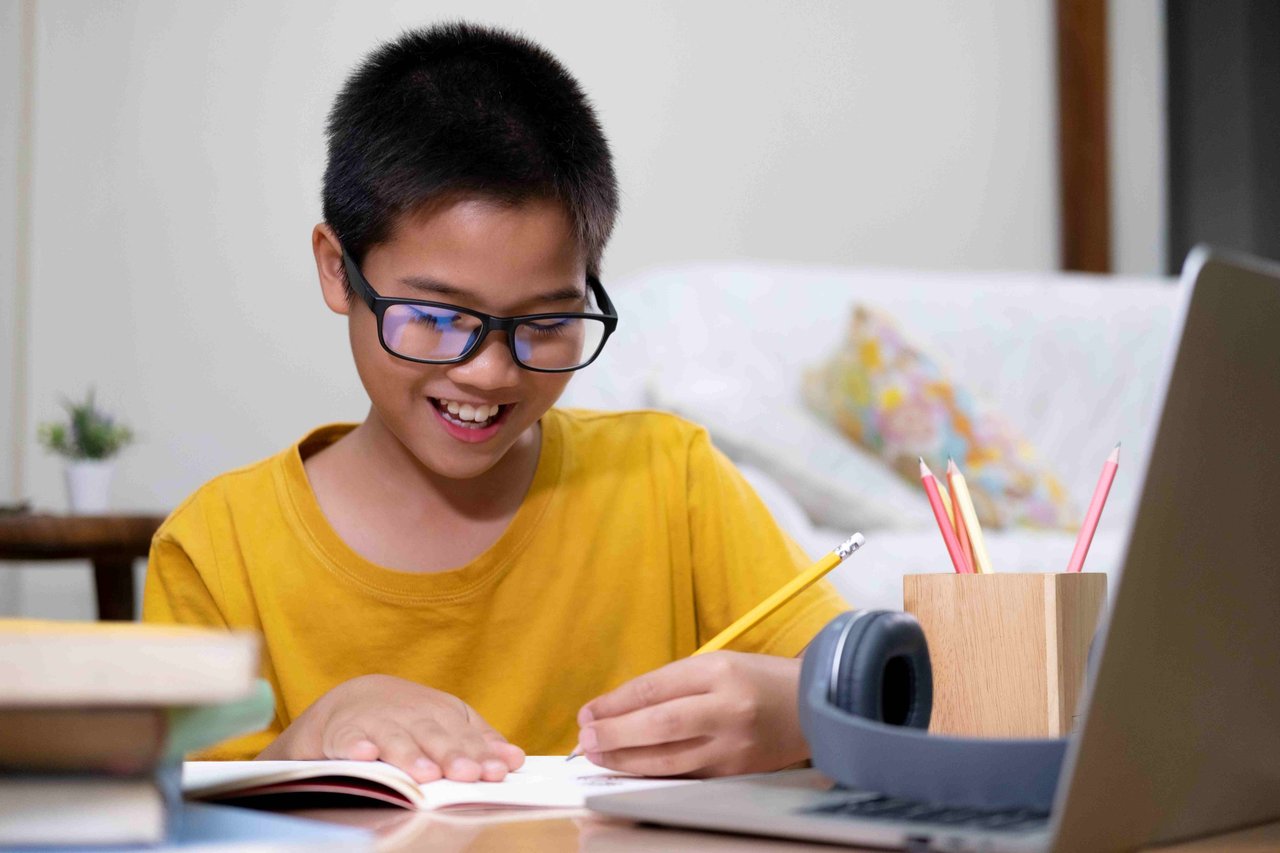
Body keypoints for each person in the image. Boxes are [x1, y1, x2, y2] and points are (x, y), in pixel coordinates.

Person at [143, 21, 848, 784]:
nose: (488, 373)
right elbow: (168, 812)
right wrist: (308, 740)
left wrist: (805, 712)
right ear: (338, 270)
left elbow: (894, 697)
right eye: (439, 318)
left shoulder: (669, 479)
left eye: (546, 323)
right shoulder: (217, 549)